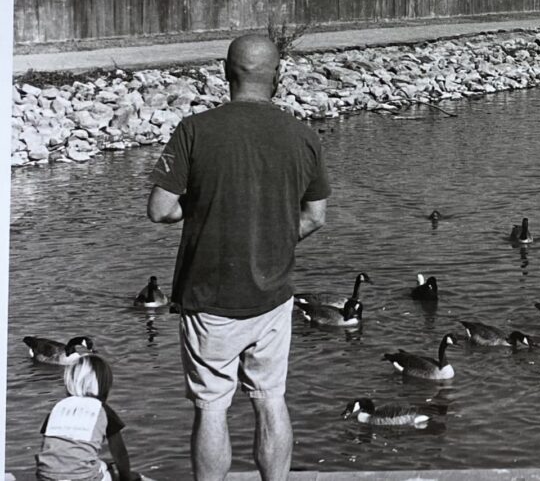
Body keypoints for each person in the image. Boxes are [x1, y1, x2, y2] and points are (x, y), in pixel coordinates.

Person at [147, 34, 330, 481]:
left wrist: (208, 205)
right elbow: (315, 217)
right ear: (278, 77)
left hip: (208, 298)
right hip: (273, 297)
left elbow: (160, 209)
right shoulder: (302, 134)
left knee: (211, 407)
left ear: (225, 72)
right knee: (270, 398)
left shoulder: (195, 130)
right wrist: (272, 240)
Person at [36, 355, 137, 481]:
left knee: (97, 464)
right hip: (83, 478)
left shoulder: (58, 408)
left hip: (45, 476)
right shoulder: (102, 409)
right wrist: (125, 477)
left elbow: (49, 447)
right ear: (103, 385)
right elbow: (119, 453)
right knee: (110, 469)